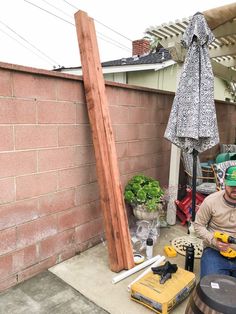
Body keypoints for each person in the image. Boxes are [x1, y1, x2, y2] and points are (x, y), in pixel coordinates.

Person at [194, 165, 236, 278]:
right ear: (225, 183)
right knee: (211, 288)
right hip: (214, 251)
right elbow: (198, 226)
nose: (235, 188)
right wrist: (213, 241)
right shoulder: (211, 201)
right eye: (232, 185)